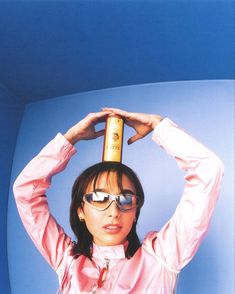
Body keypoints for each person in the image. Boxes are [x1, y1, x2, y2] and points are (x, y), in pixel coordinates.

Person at [13, 107, 224, 294]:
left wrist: (158, 126)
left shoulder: (162, 256)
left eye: (124, 199)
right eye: (98, 197)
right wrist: (70, 138)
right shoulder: (67, 260)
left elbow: (208, 170)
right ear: (80, 210)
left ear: (135, 211)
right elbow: (25, 191)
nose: (113, 211)